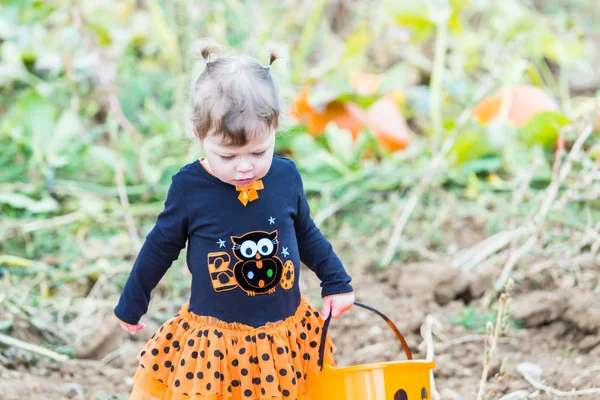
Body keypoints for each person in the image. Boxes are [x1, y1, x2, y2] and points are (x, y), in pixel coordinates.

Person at [114, 41, 355, 400]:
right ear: (199, 137)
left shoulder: (285, 177)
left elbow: (305, 232)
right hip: (217, 346)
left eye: (258, 152)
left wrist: (336, 281)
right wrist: (132, 302)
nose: (245, 166)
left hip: (283, 336)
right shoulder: (189, 188)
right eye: (228, 155)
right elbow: (159, 247)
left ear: (275, 128)